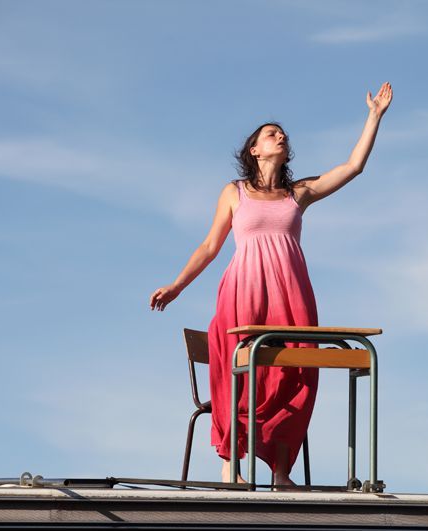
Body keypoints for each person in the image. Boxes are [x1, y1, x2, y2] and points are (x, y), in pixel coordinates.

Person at [150, 82, 393, 485]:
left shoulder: (297, 194)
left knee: (295, 375)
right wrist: (176, 287)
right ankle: (231, 460)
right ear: (255, 150)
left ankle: (281, 470)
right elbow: (210, 246)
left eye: (281, 133)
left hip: (290, 294)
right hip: (243, 292)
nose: (280, 136)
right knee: (243, 370)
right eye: (270, 133)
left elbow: (352, 168)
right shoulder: (235, 193)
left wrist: (374, 117)